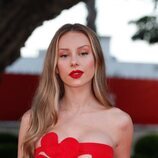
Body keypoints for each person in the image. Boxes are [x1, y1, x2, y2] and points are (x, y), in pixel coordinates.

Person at [18, 23, 133, 158]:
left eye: (83, 53)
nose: (74, 62)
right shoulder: (33, 120)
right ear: (55, 66)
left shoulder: (120, 122)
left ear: (97, 61)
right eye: (64, 55)